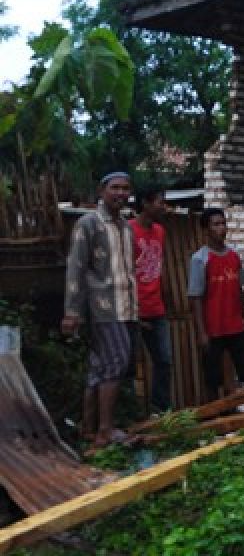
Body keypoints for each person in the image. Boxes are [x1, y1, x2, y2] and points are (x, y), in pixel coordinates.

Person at [62, 171, 138, 448]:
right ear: (102, 190)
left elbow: (129, 272)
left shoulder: (126, 227)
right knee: (115, 363)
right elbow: (75, 268)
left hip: (126, 307)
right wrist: (72, 312)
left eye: (125, 188)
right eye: (115, 188)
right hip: (103, 308)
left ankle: (88, 429)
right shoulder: (89, 223)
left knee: (98, 368)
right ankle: (106, 430)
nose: (120, 193)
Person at [188, 207, 244, 399]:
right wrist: (202, 332)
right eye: (216, 224)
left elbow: (239, 291)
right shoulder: (200, 259)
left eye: (223, 223)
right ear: (206, 229)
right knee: (213, 377)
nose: (222, 228)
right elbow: (195, 298)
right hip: (214, 329)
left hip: (236, 326)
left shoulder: (234, 256)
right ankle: (215, 417)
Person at [131, 185, 172, 413]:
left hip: (157, 308)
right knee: (129, 366)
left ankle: (160, 409)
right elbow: (124, 271)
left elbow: (159, 265)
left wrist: (164, 296)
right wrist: (132, 309)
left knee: (164, 361)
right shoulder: (129, 231)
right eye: (159, 201)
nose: (163, 206)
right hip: (135, 309)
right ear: (145, 203)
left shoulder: (160, 231)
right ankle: (131, 413)